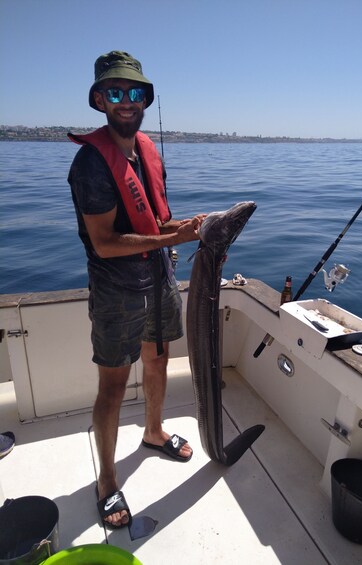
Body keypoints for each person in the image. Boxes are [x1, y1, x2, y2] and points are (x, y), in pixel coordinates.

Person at [68, 51, 205, 529]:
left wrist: (186, 229)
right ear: (100, 100)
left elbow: (156, 220)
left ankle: (152, 431)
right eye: (115, 92)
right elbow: (104, 243)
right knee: (112, 385)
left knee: (159, 359)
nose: (126, 101)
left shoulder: (147, 151)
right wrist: (175, 237)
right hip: (116, 292)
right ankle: (107, 480)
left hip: (160, 280)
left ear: (145, 98)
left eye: (134, 92)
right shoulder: (90, 164)